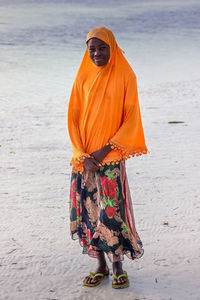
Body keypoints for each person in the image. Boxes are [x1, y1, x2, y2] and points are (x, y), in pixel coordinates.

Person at [68, 27, 147, 289]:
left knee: (112, 213)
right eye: (92, 49)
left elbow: (131, 117)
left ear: (112, 48)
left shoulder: (125, 75)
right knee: (90, 213)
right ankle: (100, 265)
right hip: (85, 160)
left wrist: (104, 151)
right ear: (86, 51)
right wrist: (82, 154)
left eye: (102, 48)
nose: (97, 53)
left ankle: (118, 266)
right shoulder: (82, 78)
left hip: (110, 157)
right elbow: (74, 120)